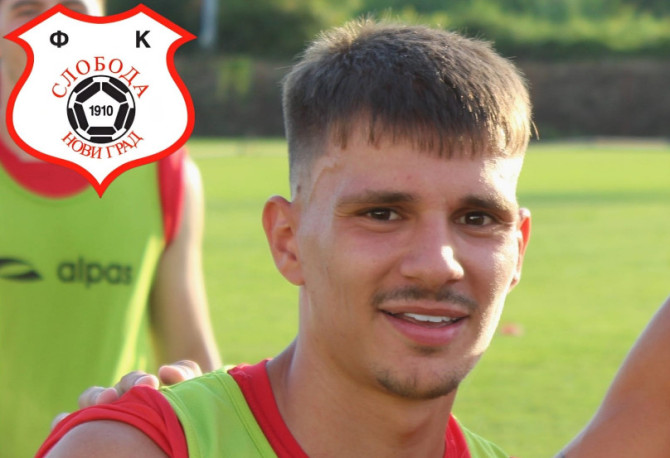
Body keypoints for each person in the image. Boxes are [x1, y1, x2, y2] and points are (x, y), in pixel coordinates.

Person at [38, 19, 533, 457]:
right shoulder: (137, 448)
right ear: (288, 240)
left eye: (477, 218)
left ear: (518, 250)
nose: (437, 264)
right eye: (382, 214)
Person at [0, 1, 221, 456]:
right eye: (27, 10)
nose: (53, 26)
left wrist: (190, 397)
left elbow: (191, 358)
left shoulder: (162, 171)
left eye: (74, 8)